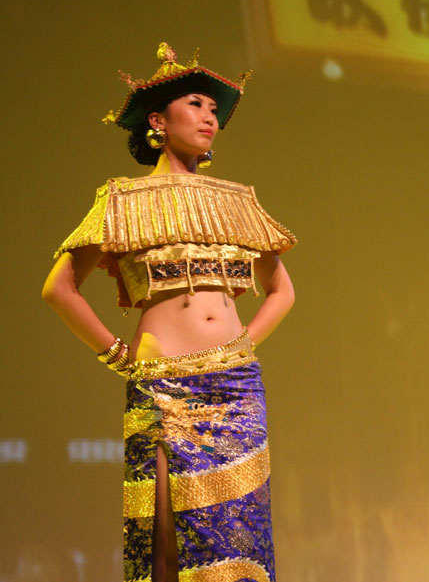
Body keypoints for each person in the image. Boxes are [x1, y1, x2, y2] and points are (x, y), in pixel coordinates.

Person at [42, 43, 296, 582]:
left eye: (214, 110)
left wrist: (243, 346)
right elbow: (59, 289)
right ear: (157, 120)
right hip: (163, 384)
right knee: (167, 541)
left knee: (239, 538)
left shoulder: (236, 202)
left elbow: (282, 291)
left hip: (237, 389)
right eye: (196, 104)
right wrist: (117, 356)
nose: (209, 118)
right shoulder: (122, 200)